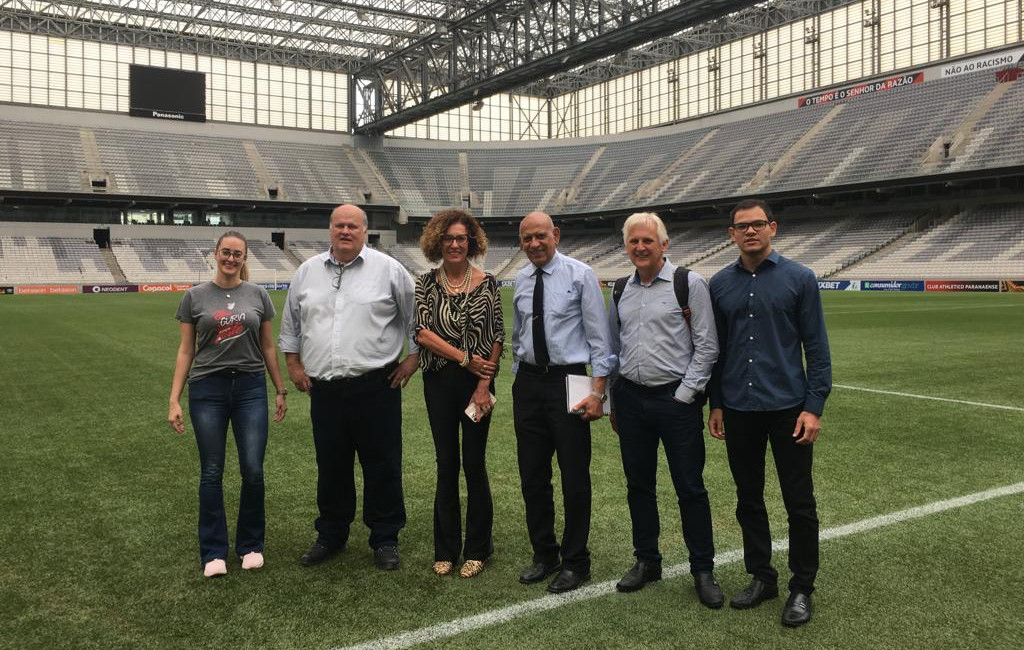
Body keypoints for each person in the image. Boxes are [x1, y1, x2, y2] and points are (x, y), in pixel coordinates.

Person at [707, 198, 832, 627]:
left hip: (789, 408)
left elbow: (816, 348)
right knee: (748, 499)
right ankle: (762, 576)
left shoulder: (800, 278)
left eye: (757, 224)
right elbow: (717, 352)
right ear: (731, 234)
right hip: (740, 408)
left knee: (799, 501)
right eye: (741, 226)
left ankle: (802, 587)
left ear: (773, 228)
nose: (750, 232)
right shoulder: (720, 284)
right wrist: (717, 403)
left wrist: (813, 407)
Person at [279, 204, 419, 571]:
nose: (345, 231)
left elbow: (416, 317)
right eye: (339, 225)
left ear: (364, 230)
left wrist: (414, 357)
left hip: (377, 385)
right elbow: (291, 324)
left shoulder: (389, 269)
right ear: (330, 229)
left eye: (352, 226)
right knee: (332, 466)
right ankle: (331, 534)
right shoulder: (307, 272)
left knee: (383, 465)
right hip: (324, 389)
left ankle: (385, 538)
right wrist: (293, 364)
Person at [607, 212, 724, 608]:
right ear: (626, 247)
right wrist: (611, 399)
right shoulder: (620, 288)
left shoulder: (687, 283)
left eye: (648, 241)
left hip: (675, 401)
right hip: (631, 400)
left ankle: (702, 569)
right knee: (639, 486)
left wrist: (685, 395)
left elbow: (707, 345)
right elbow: (611, 348)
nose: (640, 248)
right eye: (633, 242)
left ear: (664, 245)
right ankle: (647, 560)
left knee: (690, 488)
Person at [167, 230, 288, 578]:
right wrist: (174, 398)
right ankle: (213, 552)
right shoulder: (195, 297)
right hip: (207, 389)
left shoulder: (258, 295)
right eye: (226, 252)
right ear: (215, 254)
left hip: (250, 388)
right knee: (211, 471)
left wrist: (279, 389)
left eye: (237, 254)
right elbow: (186, 350)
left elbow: (267, 346)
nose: (231, 259)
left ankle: (251, 545)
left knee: (253, 469)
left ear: (244, 258)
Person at [511, 211, 614, 594]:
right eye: (526, 239)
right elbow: (519, 333)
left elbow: (599, 338)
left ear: (555, 235)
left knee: (574, 475)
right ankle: (545, 554)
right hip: (529, 384)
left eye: (540, 236)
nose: (534, 244)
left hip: (571, 379)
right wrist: (519, 376)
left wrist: (598, 391)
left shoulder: (580, 274)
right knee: (532, 474)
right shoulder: (521, 278)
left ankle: (576, 561)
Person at [414, 209, 503, 579]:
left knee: (475, 464)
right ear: (438, 241)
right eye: (448, 238)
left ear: (472, 242)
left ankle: (478, 548)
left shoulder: (488, 282)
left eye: (461, 238)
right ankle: (446, 549)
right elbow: (422, 333)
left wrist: (482, 384)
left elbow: (497, 336)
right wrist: (465, 358)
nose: (454, 244)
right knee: (446, 464)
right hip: (439, 383)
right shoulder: (425, 283)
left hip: (478, 386)